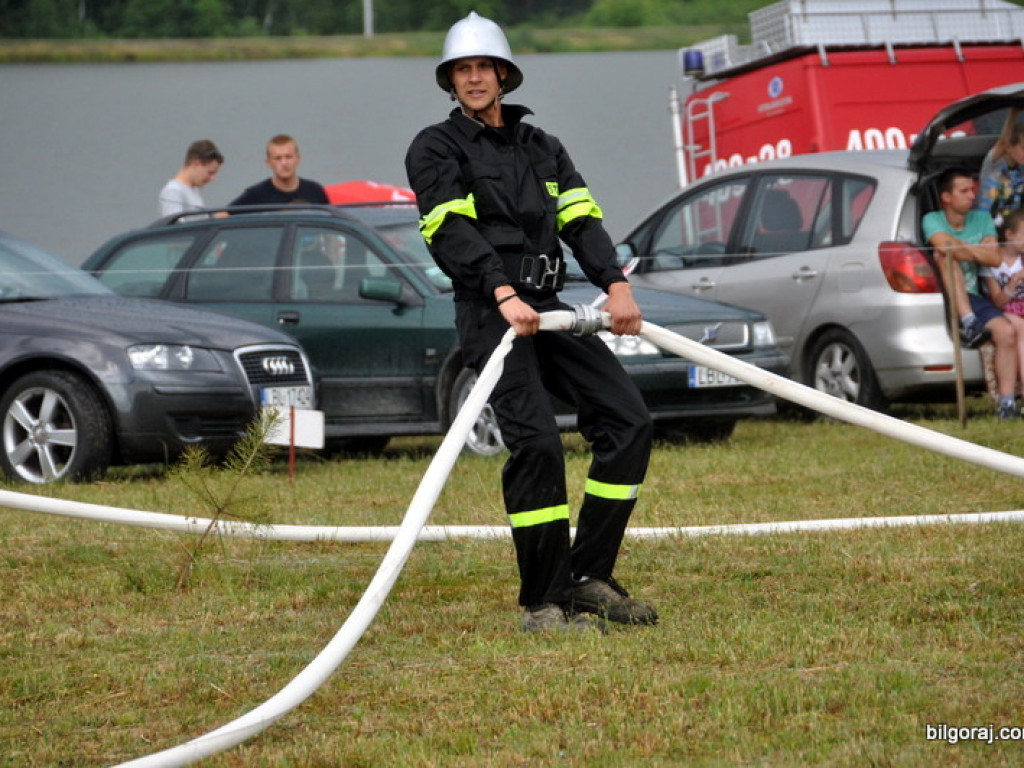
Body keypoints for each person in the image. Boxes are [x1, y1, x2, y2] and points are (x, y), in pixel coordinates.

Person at [405, 11, 658, 634]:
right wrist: (499, 288)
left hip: (550, 308)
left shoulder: (544, 147)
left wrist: (616, 285)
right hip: (492, 315)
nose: (472, 79)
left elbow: (581, 221)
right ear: (450, 80)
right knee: (538, 443)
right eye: (460, 70)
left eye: (481, 68)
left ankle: (589, 576)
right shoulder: (435, 147)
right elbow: (450, 229)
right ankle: (543, 601)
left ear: (503, 74)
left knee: (629, 422)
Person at [923, 167, 1019, 419]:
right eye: (964, 190)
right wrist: (976, 250)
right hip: (941, 296)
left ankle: (1007, 403)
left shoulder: (982, 218)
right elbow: (945, 247)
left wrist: (962, 246)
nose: (971, 195)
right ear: (946, 197)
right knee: (943, 255)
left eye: (972, 189)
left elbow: (995, 258)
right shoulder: (932, 219)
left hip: (973, 295)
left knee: (1006, 332)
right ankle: (968, 321)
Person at [229, 134, 329, 206]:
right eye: (278, 158)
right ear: (268, 163)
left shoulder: (315, 191)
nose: (284, 163)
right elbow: (223, 215)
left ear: (298, 159)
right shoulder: (256, 195)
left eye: (288, 157)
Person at [976, 110, 1024, 227]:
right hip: (983, 225)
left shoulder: (1021, 170)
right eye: (1023, 148)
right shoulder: (994, 164)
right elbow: (1002, 142)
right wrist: (1013, 113)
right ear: (1008, 147)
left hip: (1008, 227)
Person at [158, 139, 224, 217]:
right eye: (210, 172)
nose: (212, 178)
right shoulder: (173, 191)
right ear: (196, 163)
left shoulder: (192, 190)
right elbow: (176, 227)